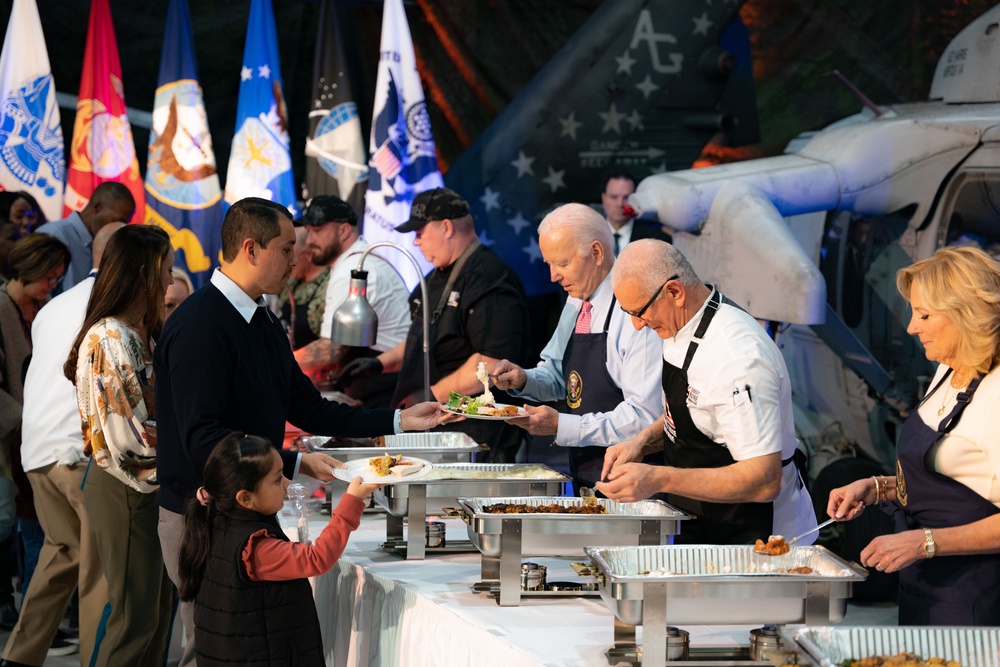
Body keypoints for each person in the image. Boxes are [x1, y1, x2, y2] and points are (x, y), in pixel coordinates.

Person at [154, 196, 452, 667]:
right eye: (286, 248)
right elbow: (201, 438)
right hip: (203, 516)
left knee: (262, 645)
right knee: (214, 647)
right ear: (250, 249)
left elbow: (311, 408)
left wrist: (398, 420)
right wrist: (290, 463)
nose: (297, 259)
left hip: (249, 507)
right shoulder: (200, 326)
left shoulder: (262, 319)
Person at [596, 239, 815, 545]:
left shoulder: (737, 358)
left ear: (674, 292)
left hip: (757, 534)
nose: (636, 325)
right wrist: (642, 442)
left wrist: (658, 477)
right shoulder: (681, 322)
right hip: (703, 519)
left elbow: (764, 480)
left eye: (640, 312)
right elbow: (697, 410)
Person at [826, 246, 1000, 626]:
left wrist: (924, 542)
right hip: (923, 585)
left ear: (966, 316)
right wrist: (878, 488)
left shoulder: (997, 393)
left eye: (924, 314)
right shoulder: (947, 370)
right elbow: (956, 478)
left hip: (974, 596)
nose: (910, 327)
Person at [1, 223, 123, 667]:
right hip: (79, 452)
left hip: (37, 450)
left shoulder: (55, 305)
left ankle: (19, 656)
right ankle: (96, 662)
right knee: (99, 572)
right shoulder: (115, 304)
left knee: (62, 554)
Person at [339, 187, 531, 462]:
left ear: (446, 227)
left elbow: (490, 362)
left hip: (476, 434)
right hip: (435, 423)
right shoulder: (436, 277)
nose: (416, 243)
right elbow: (424, 336)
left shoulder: (489, 279)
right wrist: (379, 364)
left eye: (419, 233)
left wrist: (432, 394)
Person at [64, 225, 175, 666]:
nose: (169, 280)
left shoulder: (133, 331)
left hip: (145, 484)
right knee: (134, 621)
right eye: (166, 269)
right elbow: (133, 443)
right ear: (146, 272)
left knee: (154, 618)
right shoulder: (110, 338)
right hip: (129, 485)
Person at [491, 204, 662, 489]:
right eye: (549, 264)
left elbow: (645, 417)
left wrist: (563, 426)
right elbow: (562, 378)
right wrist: (524, 379)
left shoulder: (634, 309)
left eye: (562, 263)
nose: (553, 276)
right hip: (586, 471)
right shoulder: (576, 301)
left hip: (632, 480)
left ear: (596, 253)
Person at [178, 432, 380, 666]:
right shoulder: (254, 547)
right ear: (246, 498)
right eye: (276, 480)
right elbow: (317, 559)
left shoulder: (215, 522)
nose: (287, 482)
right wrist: (353, 501)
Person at [0, 234, 69, 640]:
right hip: (14, 434)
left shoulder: (44, 309)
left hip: (37, 432)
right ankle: (27, 611)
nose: (54, 284)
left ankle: (38, 617)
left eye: (58, 277)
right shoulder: (2, 309)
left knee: (39, 528)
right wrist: (26, 417)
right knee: (17, 522)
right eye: (49, 276)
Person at [293, 195, 411, 406]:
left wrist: (278, 364)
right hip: (380, 382)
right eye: (309, 231)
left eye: (317, 231)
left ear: (344, 230)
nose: (309, 240)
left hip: (388, 388)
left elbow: (333, 348)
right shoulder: (356, 261)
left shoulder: (354, 270)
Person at [38, 182, 135, 295]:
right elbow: (37, 293)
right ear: (97, 207)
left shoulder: (107, 247)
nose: (119, 228)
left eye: (125, 224)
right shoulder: (54, 235)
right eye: (118, 220)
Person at [276, 225, 329, 350]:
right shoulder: (290, 284)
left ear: (309, 253)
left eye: (291, 255)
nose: (287, 262)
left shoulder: (329, 287)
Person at [600, 172, 669, 255]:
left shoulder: (656, 241)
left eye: (627, 197)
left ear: (636, 200)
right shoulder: (590, 235)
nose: (620, 204)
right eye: (614, 197)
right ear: (604, 199)